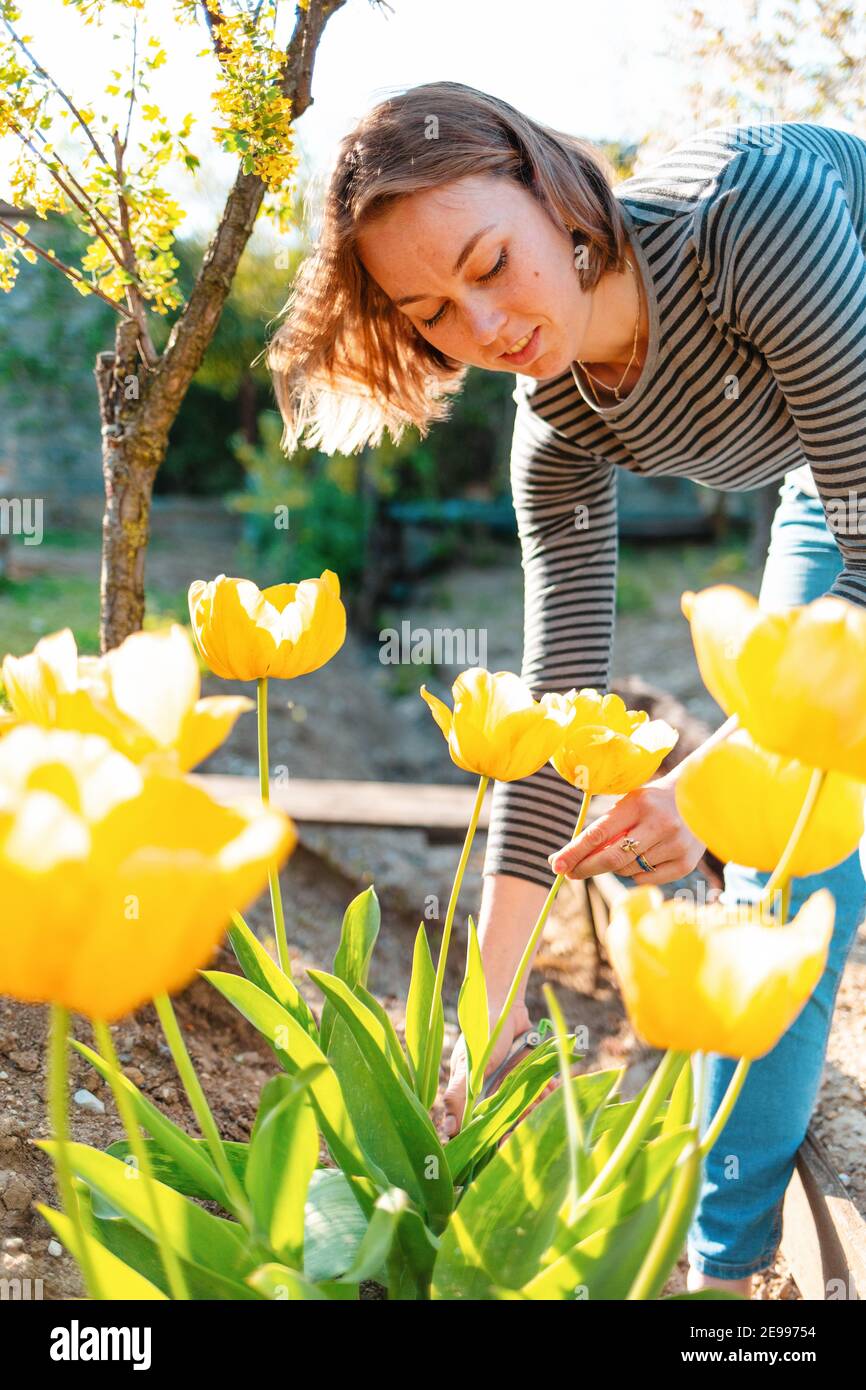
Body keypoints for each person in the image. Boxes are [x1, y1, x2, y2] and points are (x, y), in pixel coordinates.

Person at [266, 80, 866, 1297]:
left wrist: (715, 769)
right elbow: (554, 719)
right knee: (785, 846)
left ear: (553, 193)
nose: (483, 324)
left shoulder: (750, 220)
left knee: (764, 776)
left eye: (490, 262)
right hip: (836, 472)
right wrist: (483, 1012)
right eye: (433, 312)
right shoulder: (560, 437)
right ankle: (728, 1279)